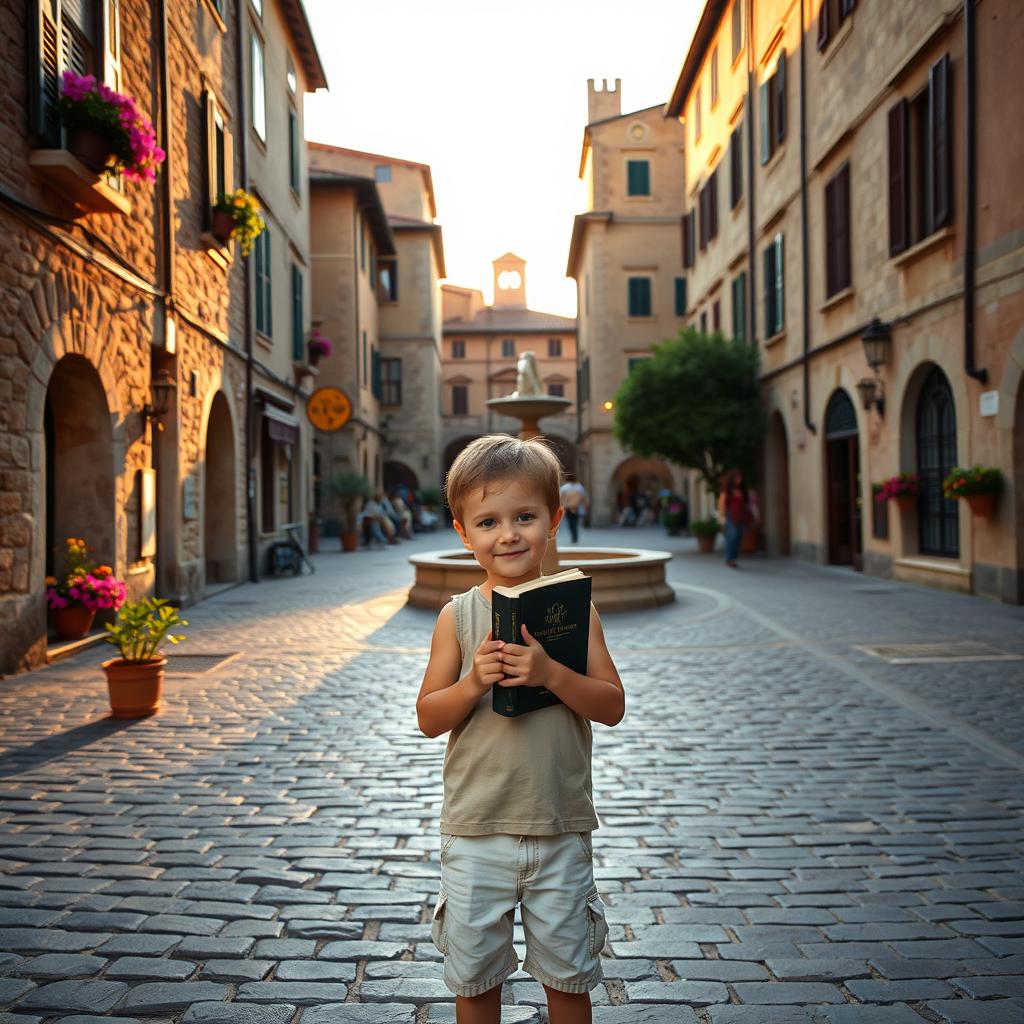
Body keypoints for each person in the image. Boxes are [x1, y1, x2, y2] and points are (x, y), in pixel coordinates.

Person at [416, 434, 625, 1024]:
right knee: (475, 982)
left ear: (554, 520)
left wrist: (552, 672)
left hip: (559, 830)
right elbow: (429, 717)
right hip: (477, 830)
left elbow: (611, 705)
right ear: (463, 532)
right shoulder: (456, 618)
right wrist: (472, 683)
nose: (507, 534)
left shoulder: (577, 611)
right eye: (488, 521)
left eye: (525, 516)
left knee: (568, 980)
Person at [717, 469, 757, 568]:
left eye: (740, 477)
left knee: (738, 538)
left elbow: (747, 504)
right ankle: (729, 559)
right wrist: (721, 518)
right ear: (732, 478)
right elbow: (721, 504)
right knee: (731, 537)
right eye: (737, 477)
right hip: (730, 516)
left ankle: (733, 558)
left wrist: (752, 515)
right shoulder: (727, 490)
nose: (739, 479)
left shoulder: (743, 491)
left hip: (741, 517)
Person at [559, 473, 588, 543]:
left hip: (568, 507)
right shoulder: (579, 487)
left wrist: (563, 504)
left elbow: (560, 497)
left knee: (570, 522)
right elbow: (583, 497)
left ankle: (574, 536)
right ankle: (575, 536)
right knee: (575, 521)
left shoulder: (565, 487)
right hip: (577, 507)